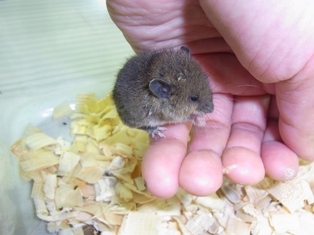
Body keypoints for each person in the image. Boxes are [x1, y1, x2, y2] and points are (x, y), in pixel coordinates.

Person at [107, 0, 314, 198]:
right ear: (163, 91)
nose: (208, 104)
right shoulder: (163, 101)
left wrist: (194, 110)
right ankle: (149, 128)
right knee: (142, 120)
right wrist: (191, 113)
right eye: (195, 98)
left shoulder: (175, 81)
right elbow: (172, 113)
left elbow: (184, 102)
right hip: (137, 109)